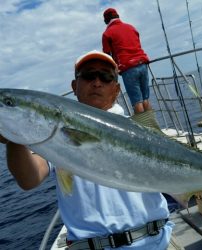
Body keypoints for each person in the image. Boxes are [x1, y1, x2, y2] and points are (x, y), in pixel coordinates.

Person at [0, 50, 174, 250]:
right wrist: (14, 139)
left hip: (154, 243)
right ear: (75, 86)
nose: (97, 82)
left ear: (116, 89)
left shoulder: (139, 131)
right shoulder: (50, 140)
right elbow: (29, 179)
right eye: (89, 75)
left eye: (106, 77)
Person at [102, 8, 152, 114]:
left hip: (129, 68)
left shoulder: (107, 33)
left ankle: (144, 129)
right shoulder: (131, 27)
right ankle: (153, 127)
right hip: (142, 64)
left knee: (137, 101)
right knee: (146, 98)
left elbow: (107, 55)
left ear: (106, 20)